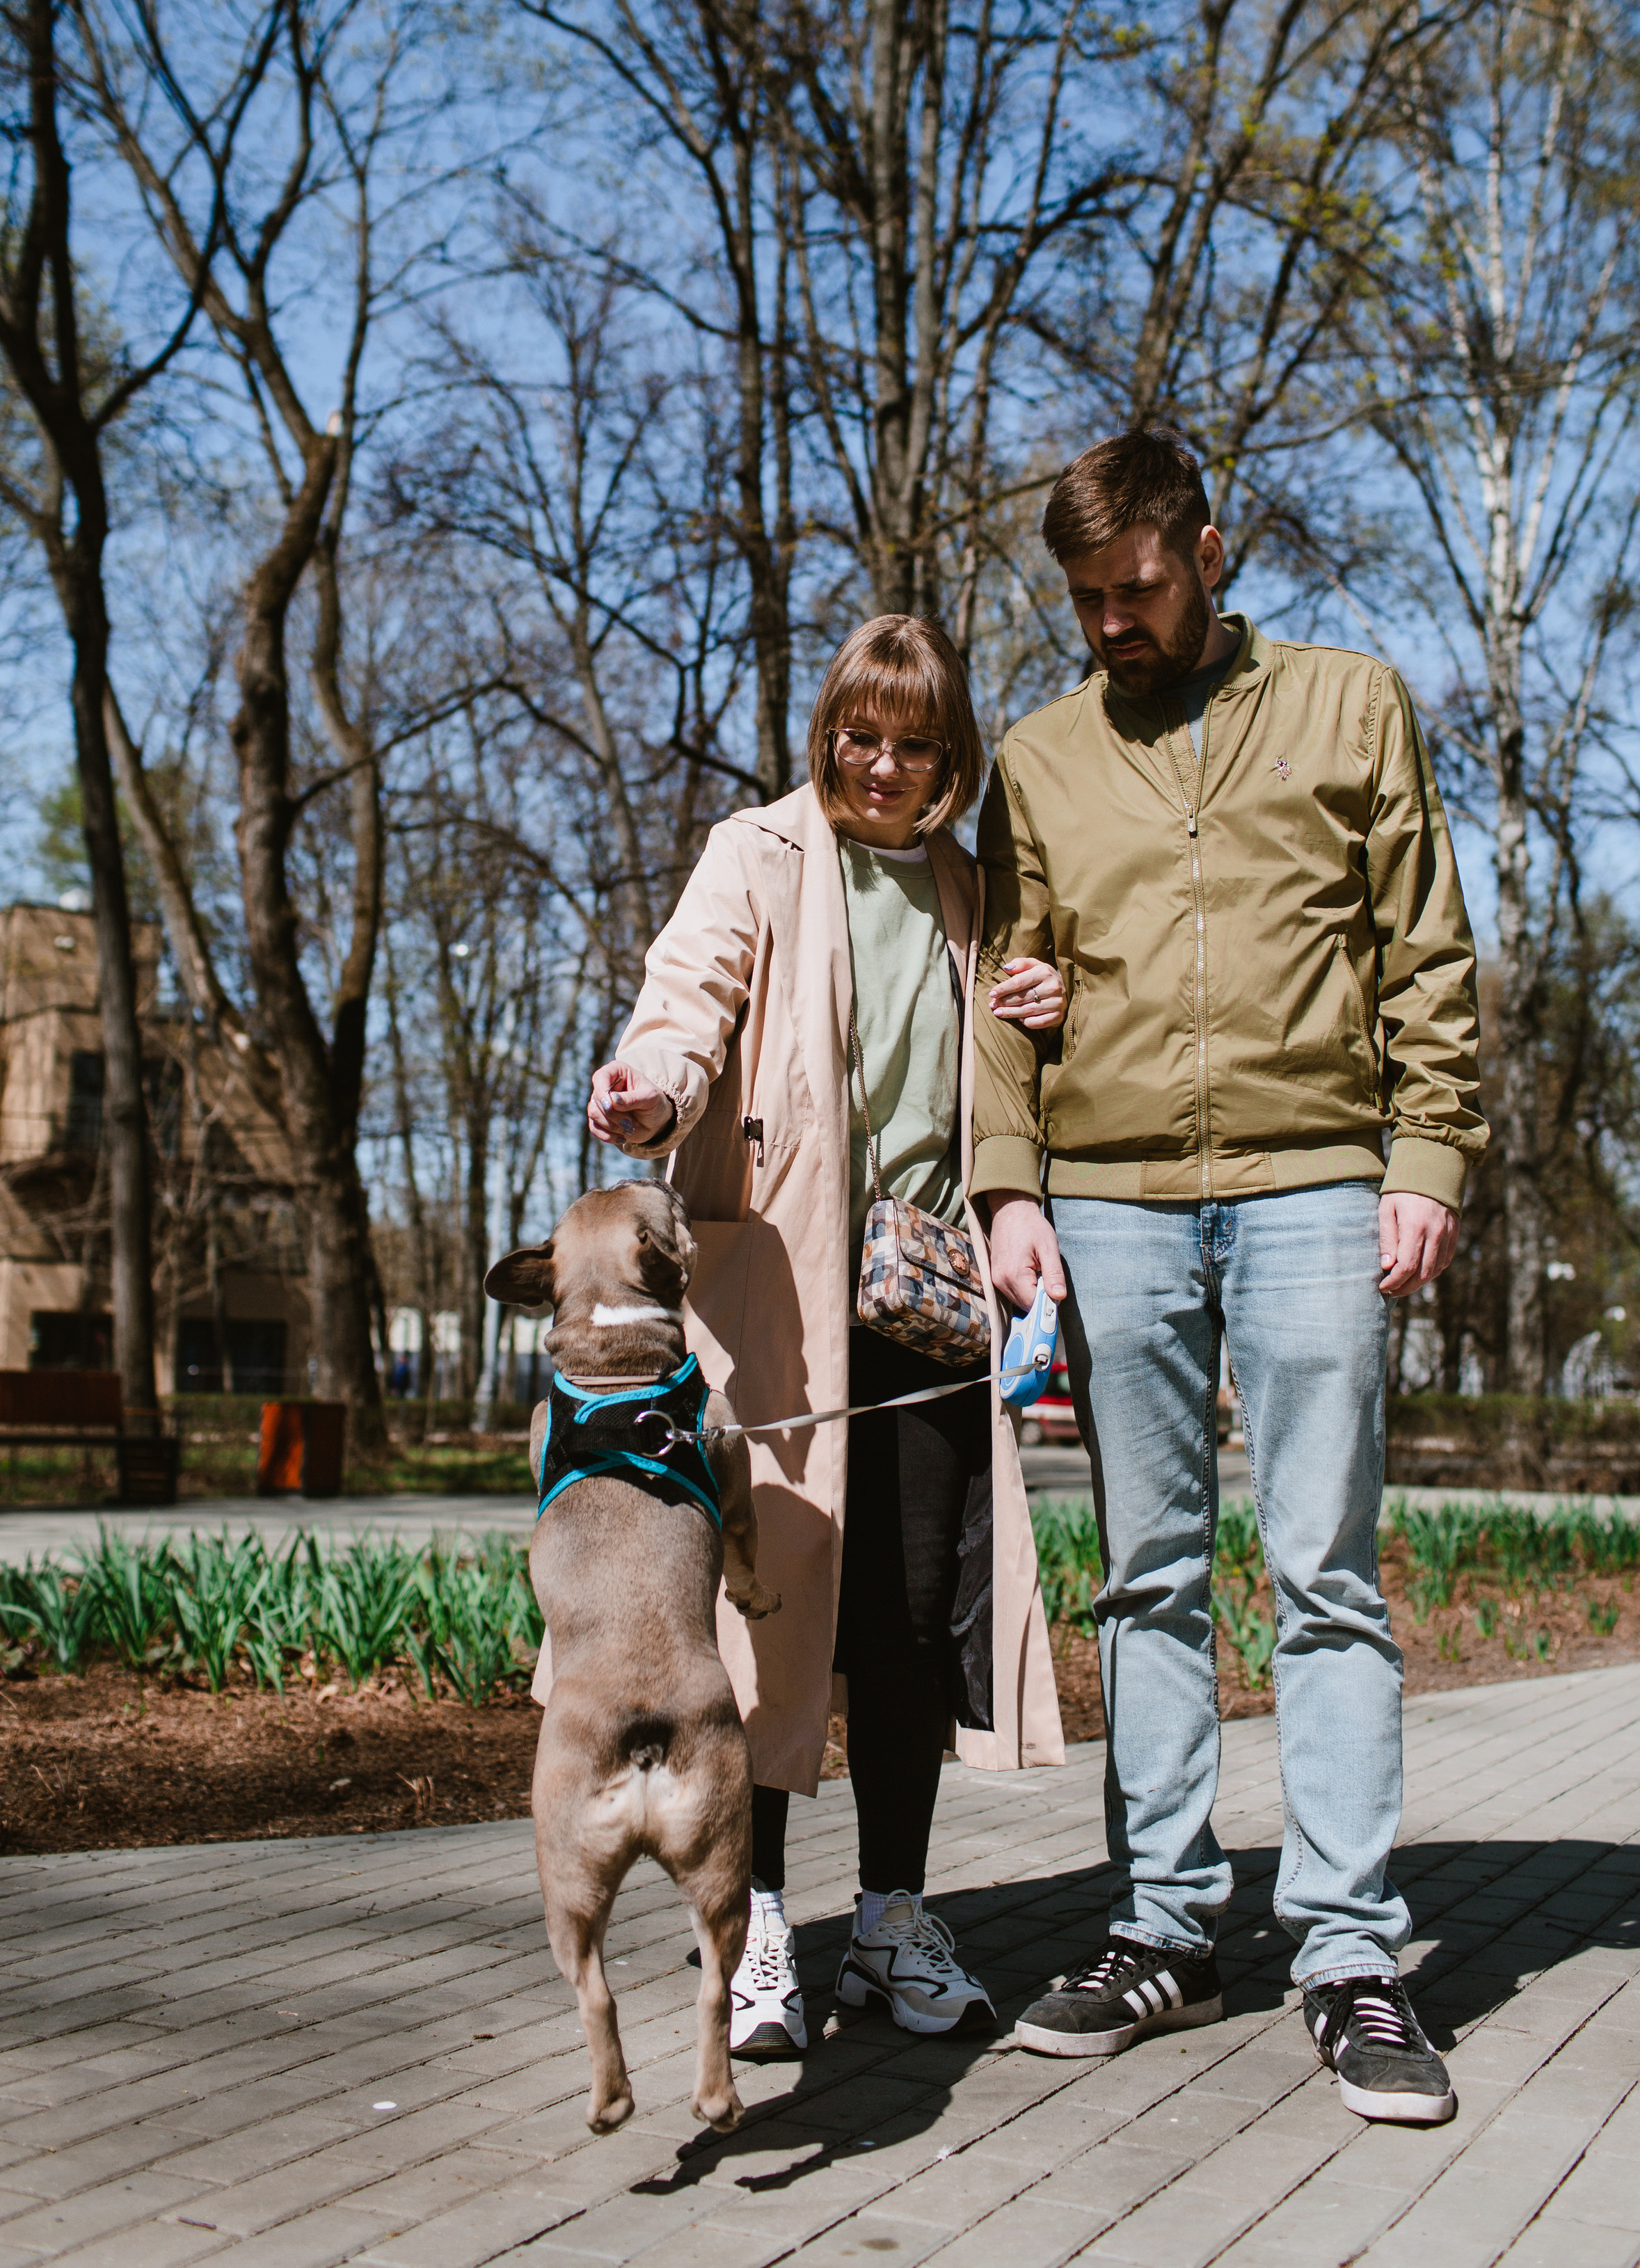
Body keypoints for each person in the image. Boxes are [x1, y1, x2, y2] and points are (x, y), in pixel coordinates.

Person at [974, 431, 1487, 2125]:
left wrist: (1425, 1159)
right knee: (1144, 1580)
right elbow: (1007, 980)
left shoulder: (1348, 704)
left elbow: (1422, 947)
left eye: (1133, 590)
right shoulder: (1036, 757)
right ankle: (1166, 1928)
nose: (1109, 624)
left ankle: (1344, 1952)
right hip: (1109, 1195)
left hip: (1312, 1184)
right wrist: (1006, 1182)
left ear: (1209, 550)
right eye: (1082, 602)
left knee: (1325, 1570)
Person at [587, 615, 1067, 2059]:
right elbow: (689, 999)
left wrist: (1052, 1007)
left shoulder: (971, 888)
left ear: (948, 756)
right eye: (861, 736)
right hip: (782, 1300)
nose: (883, 764)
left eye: (915, 744)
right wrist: (649, 1091)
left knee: (912, 1621)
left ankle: (891, 1919)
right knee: (774, 1616)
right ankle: (756, 1935)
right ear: (828, 734)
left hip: (923, 1300)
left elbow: (1017, 1062)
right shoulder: (760, 852)